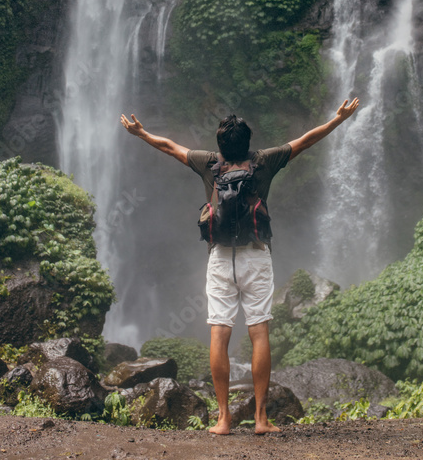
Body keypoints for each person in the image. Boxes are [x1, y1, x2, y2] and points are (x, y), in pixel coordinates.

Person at [121, 97, 359, 435]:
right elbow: (306, 139)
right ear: (248, 143)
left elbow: (171, 147)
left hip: (220, 259)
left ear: (220, 144)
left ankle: (223, 420)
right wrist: (337, 119)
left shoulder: (208, 164)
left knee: (220, 333)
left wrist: (141, 133)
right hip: (256, 255)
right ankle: (261, 419)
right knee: (259, 331)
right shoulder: (264, 162)